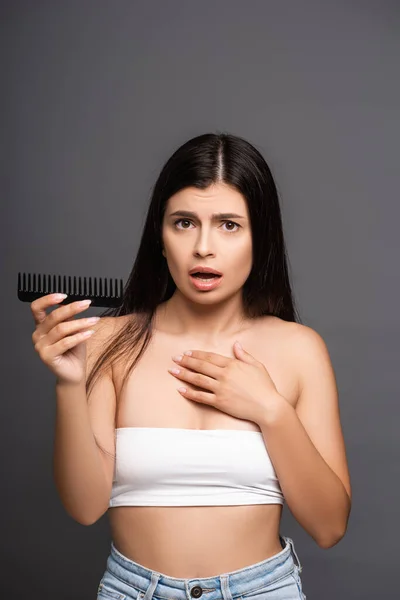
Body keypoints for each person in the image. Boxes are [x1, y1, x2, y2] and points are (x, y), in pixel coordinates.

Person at [31, 132, 352, 600]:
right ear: (159, 238)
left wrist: (270, 410)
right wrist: (68, 384)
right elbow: (84, 507)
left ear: (260, 238)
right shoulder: (107, 341)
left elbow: (329, 527)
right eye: (184, 223)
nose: (203, 247)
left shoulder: (300, 350)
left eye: (228, 225)